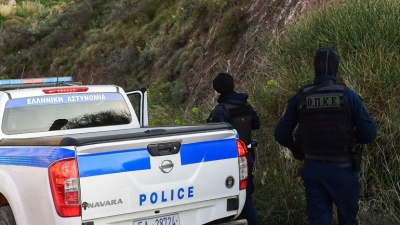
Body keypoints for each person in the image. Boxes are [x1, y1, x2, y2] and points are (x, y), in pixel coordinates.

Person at [274, 46, 377, 225]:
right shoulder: (348, 96)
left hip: (313, 168)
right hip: (342, 169)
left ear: (315, 66)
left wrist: (297, 148)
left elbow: (281, 135)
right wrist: (350, 137)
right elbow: (369, 135)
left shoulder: (300, 98)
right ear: (336, 68)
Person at [206, 72, 260, 225]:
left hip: (228, 161)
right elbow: (256, 124)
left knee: (232, 198)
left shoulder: (220, 110)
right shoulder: (245, 105)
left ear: (218, 91)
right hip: (247, 157)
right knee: (246, 195)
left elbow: (214, 137)